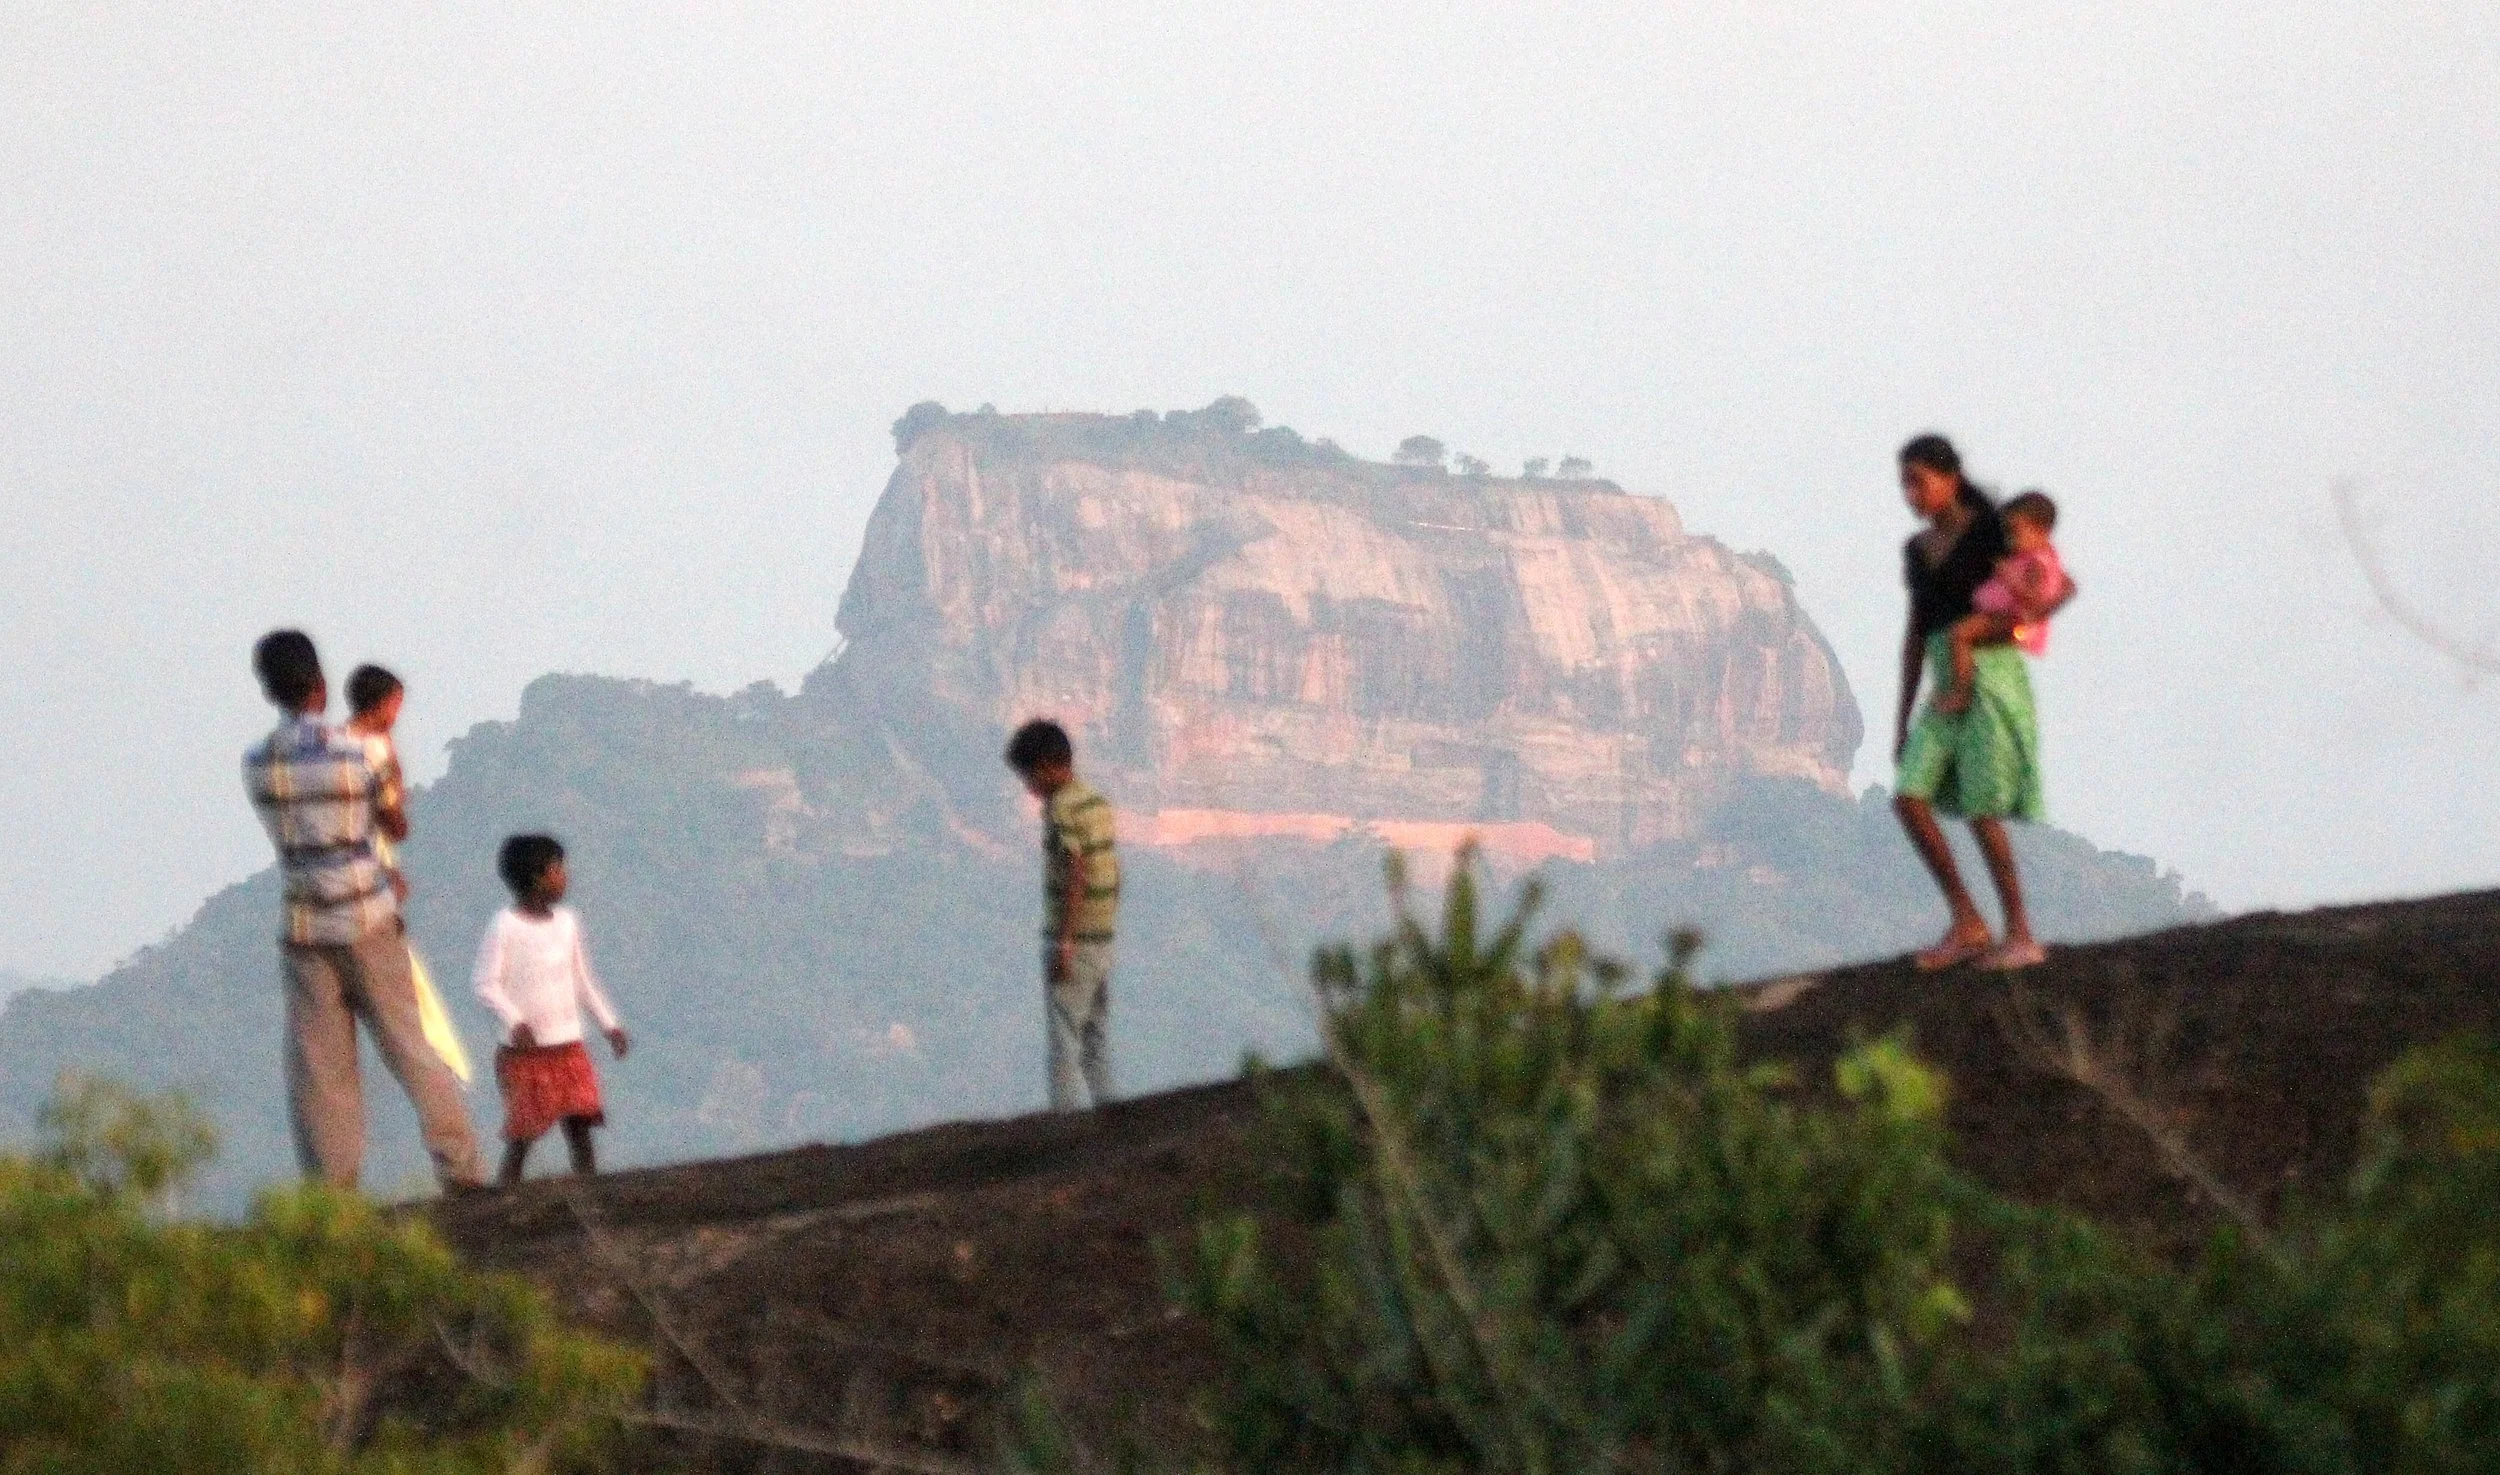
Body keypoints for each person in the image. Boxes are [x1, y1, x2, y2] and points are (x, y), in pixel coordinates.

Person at [243, 630, 485, 1191]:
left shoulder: (258, 764)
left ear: (269, 691)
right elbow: (393, 824)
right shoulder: (355, 755)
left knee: (321, 1072)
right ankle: (462, 1170)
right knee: (411, 1048)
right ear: (320, 687)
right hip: (368, 920)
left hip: (305, 928)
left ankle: (332, 1197)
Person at [1889, 438, 2068, 973]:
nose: (1912, 494)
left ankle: (2020, 932)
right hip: (1945, 679)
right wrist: (1902, 717)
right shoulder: (1918, 550)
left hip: (1990, 676)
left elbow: (2056, 582)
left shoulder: (1991, 530)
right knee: (1910, 797)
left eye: (1919, 481)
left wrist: (2018, 623)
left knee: (1982, 805)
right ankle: (1968, 921)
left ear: (1951, 478)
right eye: (1905, 483)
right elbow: (1917, 631)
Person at [343, 663, 473, 1085]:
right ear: (383, 704)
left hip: (338, 868)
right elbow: (393, 821)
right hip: (369, 868)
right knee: (402, 973)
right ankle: (437, 1060)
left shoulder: (334, 743)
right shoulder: (375, 749)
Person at [473, 834, 629, 1184]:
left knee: (580, 1124)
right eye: (557, 870)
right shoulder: (505, 925)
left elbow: (582, 980)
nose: (564, 877)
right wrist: (515, 1021)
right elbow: (485, 982)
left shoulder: (568, 923)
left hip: (569, 1046)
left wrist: (609, 1025)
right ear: (536, 877)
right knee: (523, 1133)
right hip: (526, 1055)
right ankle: (503, 1197)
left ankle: (590, 1190)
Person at [1004, 720, 1119, 1110]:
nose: (1029, 787)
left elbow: (1076, 871)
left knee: (1065, 1038)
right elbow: (1109, 871)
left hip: (1075, 938)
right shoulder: (1095, 802)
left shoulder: (1062, 809)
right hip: (1102, 939)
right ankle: (1113, 1120)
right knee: (1095, 1037)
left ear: (1048, 767)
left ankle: (1065, 1125)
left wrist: (1066, 941)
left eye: (1029, 776)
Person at [1938, 491, 2072, 715]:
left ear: (2041, 531)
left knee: (1960, 634)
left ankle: (1961, 694)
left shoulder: (2038, 563)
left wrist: (2009, 577)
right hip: (2008, 618)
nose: (2011, 539)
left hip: (2013, 620)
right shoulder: (2033, 556)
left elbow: (2033, 599)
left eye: (2016, 532)